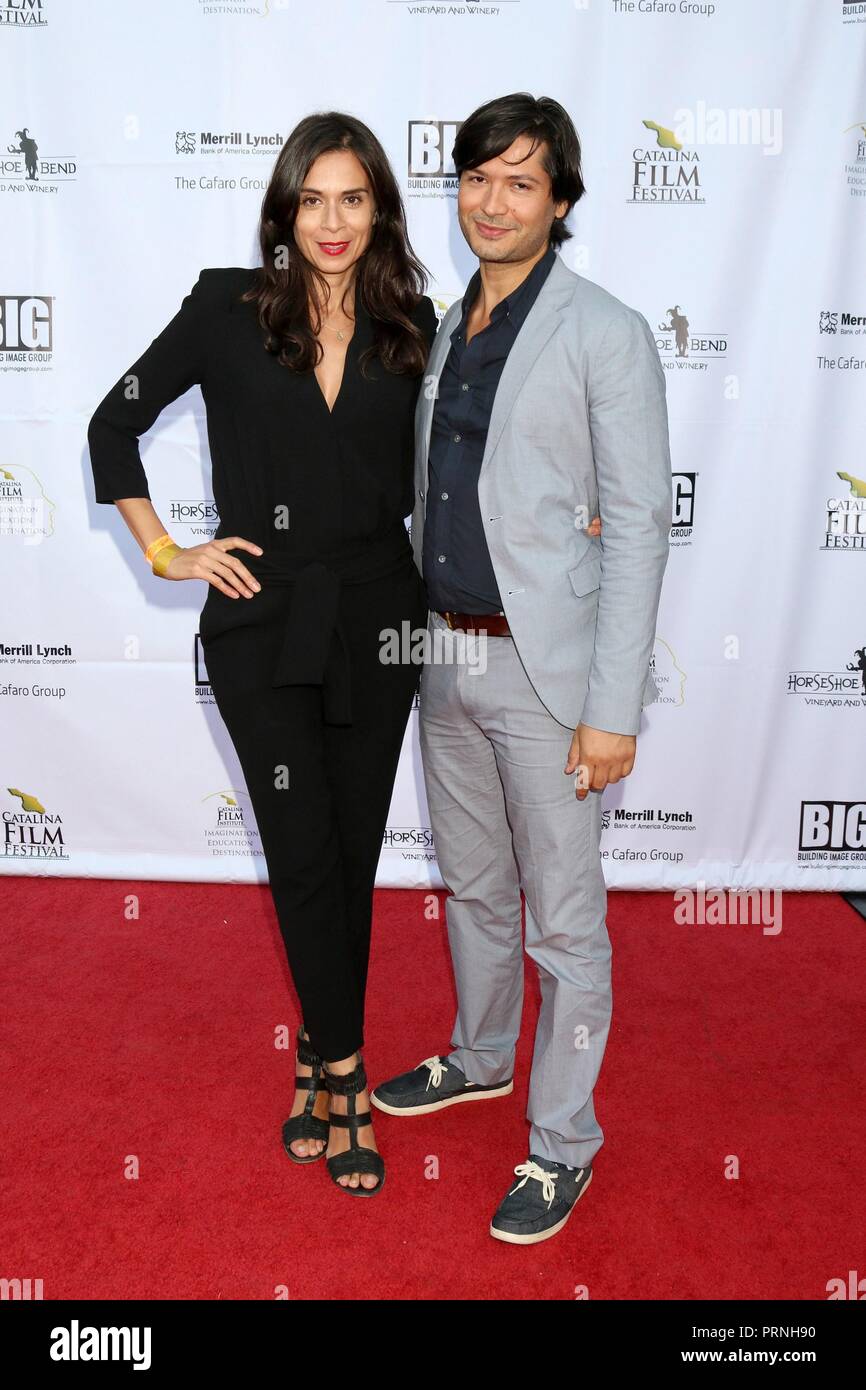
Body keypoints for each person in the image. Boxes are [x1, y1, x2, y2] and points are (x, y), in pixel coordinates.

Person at [86, 112, 440, 1197]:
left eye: (353, 198)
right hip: (260, 618)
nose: (331, 221)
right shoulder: (225, 311)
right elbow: (113, 426)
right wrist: (166, 550)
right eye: (312, 198)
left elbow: (455, 468)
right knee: (298, 846)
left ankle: (316, 1052)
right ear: (284, 210)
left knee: (347, 850)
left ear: (379, 209)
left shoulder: (412, 322)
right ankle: (342, 1067)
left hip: (380, 618)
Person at [371, 93, 672, 1243]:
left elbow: (639, 528)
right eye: (476, 178)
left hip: (549, 683)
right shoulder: (449, 325)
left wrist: (611, 712)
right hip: (441, 660)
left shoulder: (606, 330)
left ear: (559, 200)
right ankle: (481, 1057)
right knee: (477, 891)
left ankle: (562, 1144)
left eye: (520, 181)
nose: (492, 201)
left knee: (565, 926)